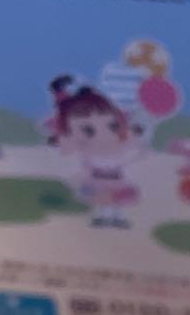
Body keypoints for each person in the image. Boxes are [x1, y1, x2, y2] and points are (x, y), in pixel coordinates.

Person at [48, 75, 143, 228]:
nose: (104, 134)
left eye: (113, 126)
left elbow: (132, 145)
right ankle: (103, 216)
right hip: (98, 179)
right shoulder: (87, 150)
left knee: (117, 198)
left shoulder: (120, 144)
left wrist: (136, 133)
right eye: (89, 130)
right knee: (103, 198)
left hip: (116, 179)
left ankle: (117, 217)